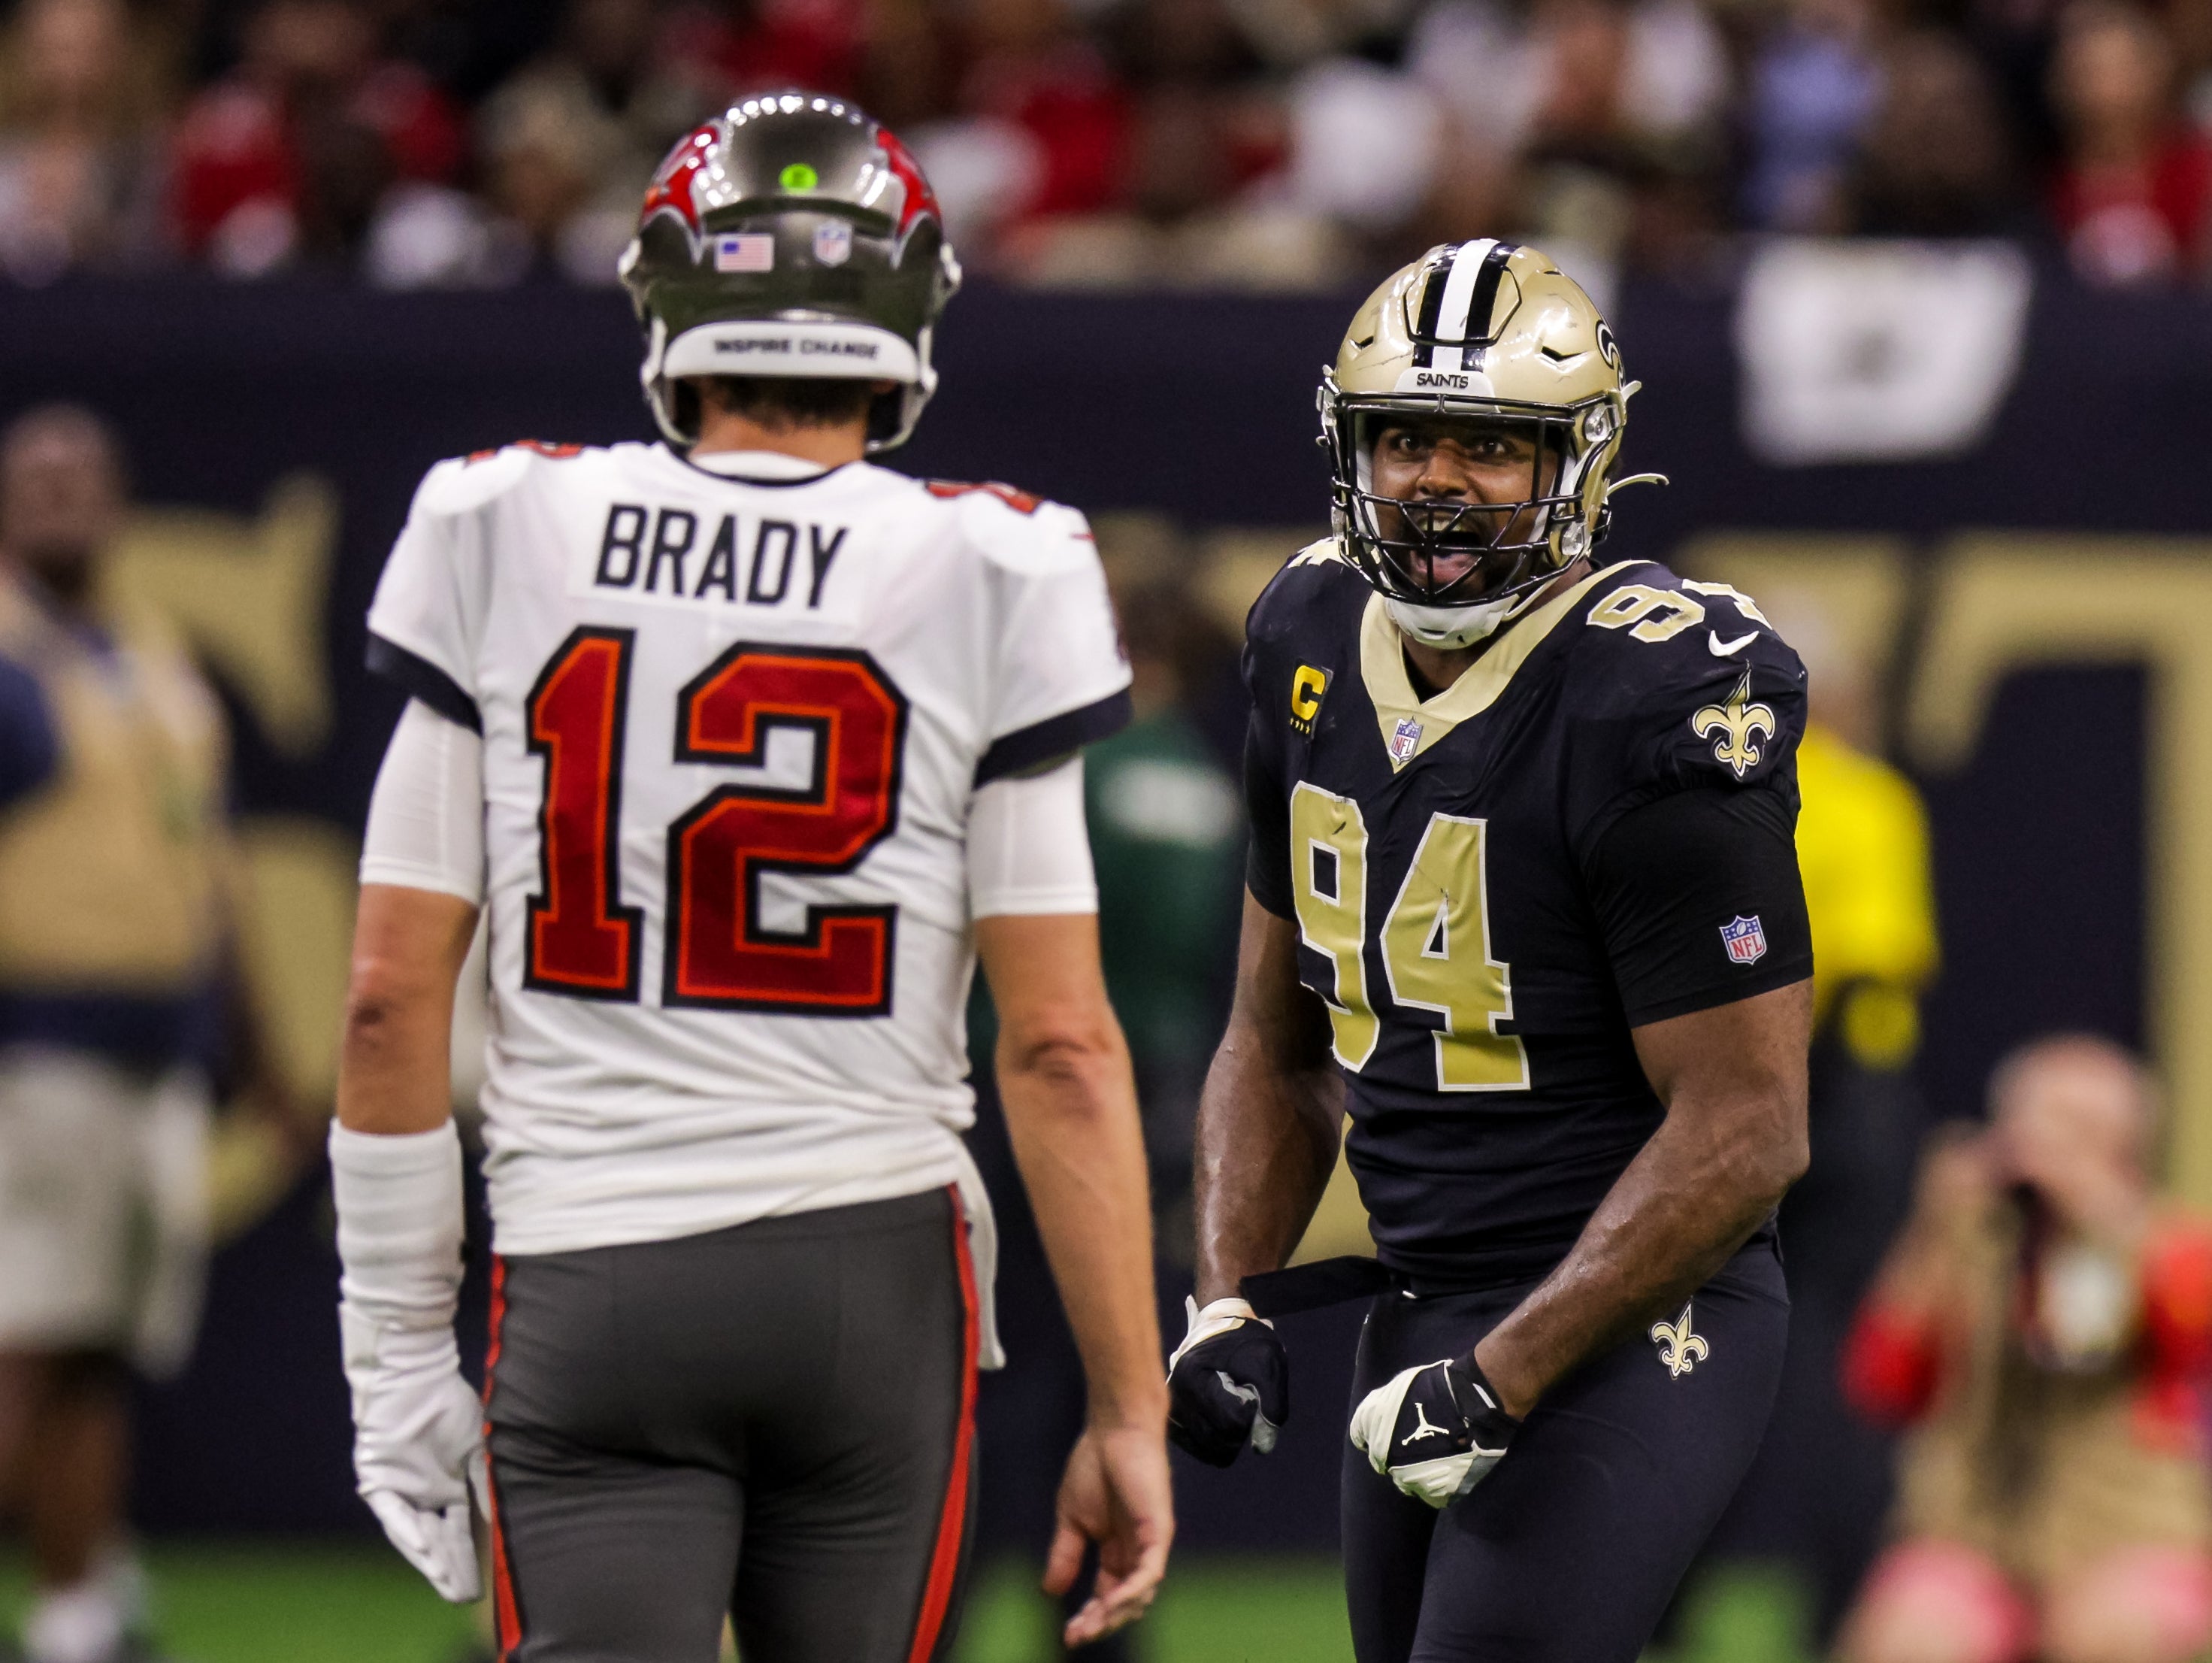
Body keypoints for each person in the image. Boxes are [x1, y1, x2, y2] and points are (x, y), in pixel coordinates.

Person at [331, 93, 1173, 1663]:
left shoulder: (502, 519)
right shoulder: (1002, 560)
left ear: (668, 293)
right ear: (912, 299)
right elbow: (1059, 1044)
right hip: (871, 1269)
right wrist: (1130, 1400)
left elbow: (388, 995)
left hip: (592, 1261)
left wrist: (390, 1355)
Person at [1165, 239, 1814, 1663]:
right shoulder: (1306, 629)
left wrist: (1507, 1370)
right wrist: (1221, 1294)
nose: (1434, 481)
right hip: (1417, 1294)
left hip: (1632, 1307)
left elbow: (1749, 1126)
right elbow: (1271, 1044)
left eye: (1487, 446)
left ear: (1576, 466)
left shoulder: (1652, 692)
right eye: (1402, 438)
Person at [0, 406, 282, 1663]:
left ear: (117, 502)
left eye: (81, 478)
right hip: (32, 1046)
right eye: (35, 479)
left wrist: (265, 1051)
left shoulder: (150, 659)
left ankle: (72, 1611)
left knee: (98, 1352)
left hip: (155, 1052)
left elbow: (209, 872)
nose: (60, 497)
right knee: (18, 1338)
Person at [1835, 1037, 2212, 1663]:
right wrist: (1930, 1231)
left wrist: (2097, 1214)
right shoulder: (1968, 1244)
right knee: (1913, 1638)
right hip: (1970, 1533)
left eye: (2080, 1133)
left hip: (2126, 1529)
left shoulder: (2163, 1239)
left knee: (2115, 1634)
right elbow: (1881, 1384)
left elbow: (2183, 1337)